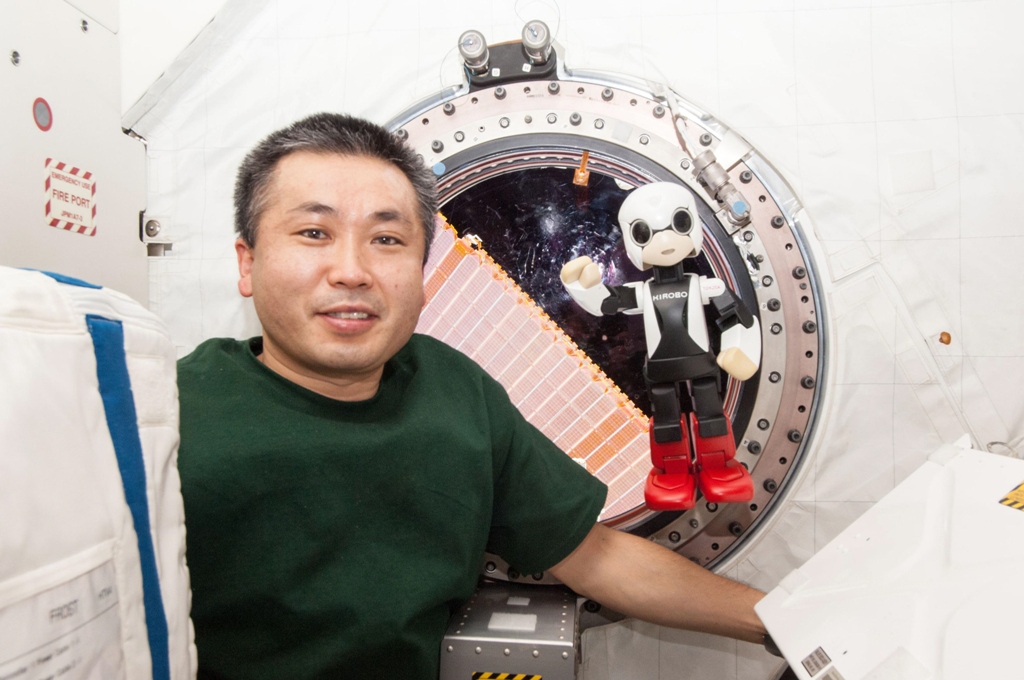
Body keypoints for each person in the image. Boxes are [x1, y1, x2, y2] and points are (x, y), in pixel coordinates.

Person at [176, 113, 770, 679]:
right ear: (248, 262)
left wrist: (780, 621)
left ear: (421, 269)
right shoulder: (170, 411)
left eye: (386, 238)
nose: (351, 270)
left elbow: (596, 557)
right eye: (314, 233)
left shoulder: (454, 391)